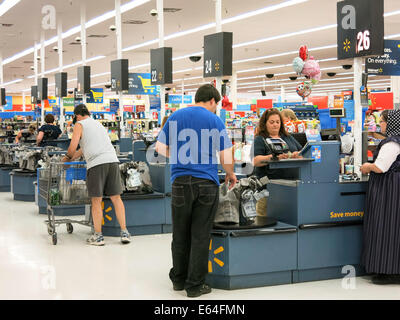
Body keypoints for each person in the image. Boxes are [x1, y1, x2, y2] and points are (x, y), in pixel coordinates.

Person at [155, 84, 237, 298]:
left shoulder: (176, 116)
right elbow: (225, 155)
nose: (215, 108)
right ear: (211, 100)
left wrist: (179, 155)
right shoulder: (215, 121)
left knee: (180, 233)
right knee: (200, 235)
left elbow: (159, 148)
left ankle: (179, 280)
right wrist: (230, 173)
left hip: (180, 182)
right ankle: (195, 285)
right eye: (216, 104)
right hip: (206, 184)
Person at [62, 104, 131, 246]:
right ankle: (124, 232)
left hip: (96, 164)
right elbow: (82, 149)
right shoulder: (97, 124)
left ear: (77, 115)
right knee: (116, 198)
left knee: (96, 200)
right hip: (112, 161)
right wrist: (72, 157)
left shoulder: (79, 125)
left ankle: (98, 236)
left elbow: (73, 147)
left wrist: (66, 158)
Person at [360, 110, 400, 285]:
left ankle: (387, 271)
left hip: (388, 191)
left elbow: (381, 167)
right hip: (394, 190)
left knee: (385, 228)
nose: (380, 125)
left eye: (382, 121)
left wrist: (367, 166)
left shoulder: (391, 143)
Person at [252, 109, 302, 216]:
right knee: (265, 223)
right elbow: (256, 161)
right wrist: (274, 157)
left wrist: (295, 155)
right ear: (265, 124)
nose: (275, 125)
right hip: (268, 191)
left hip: (290, 189)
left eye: (278, 122)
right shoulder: (261, 139)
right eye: (272, 122)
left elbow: (301, 152)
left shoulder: (288, 137)